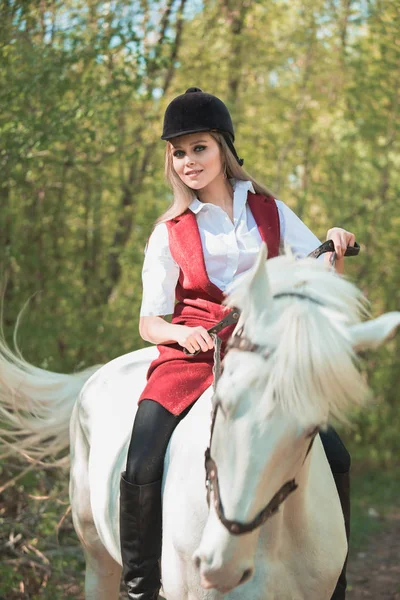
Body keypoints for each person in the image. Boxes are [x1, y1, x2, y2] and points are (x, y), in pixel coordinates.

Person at [119, 87, 353, 600]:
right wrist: (181, 332)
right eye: (178, 152)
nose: (187, 162)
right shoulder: (169, 231)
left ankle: (332, 580)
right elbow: (148, 323)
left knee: (334, 452)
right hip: (194, 358)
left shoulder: (268, 209)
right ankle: (139, 586)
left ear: (223, 148)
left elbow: (314, 266)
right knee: (141, 458)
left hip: (262, 354)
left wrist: (333, 239)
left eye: (198, 147)